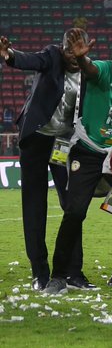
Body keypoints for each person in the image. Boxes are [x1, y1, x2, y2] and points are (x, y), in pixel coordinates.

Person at [42, 39, 112, 296]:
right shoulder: (102, 71)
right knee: (75, 211)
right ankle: (58, 276)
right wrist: (81, 59)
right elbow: (90, 69)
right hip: (88, 151)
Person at [1, 30, 87, 291]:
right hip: (38, 139)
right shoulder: (51, 56)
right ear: (61, 49)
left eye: (78, 48)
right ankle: (40, 272)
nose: (73, 54)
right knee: (35, 205)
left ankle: (74, 272)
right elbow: (30, 60)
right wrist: (9, 55)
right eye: (68, 49)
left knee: (72, 205)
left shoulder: (89, 71)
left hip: (65, 142)